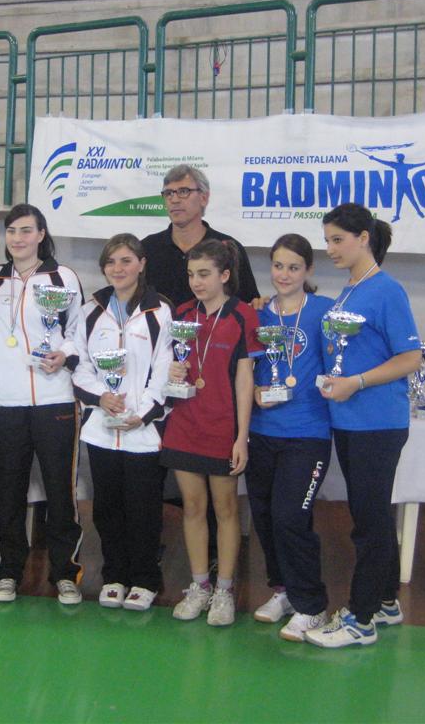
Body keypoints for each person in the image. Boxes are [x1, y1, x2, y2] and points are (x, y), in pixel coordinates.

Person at [304, 203, 421, 649]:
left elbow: (410, 357)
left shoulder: (386, 290)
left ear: (364, 238)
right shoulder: (349, 291)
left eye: (338, 239)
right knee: (371, 514)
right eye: (327, 240)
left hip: (377, 422)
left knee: (368, 522)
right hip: (350, 421)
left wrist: (357, 382)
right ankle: (386, 601)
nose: (331, 249)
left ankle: (361, 618)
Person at [0, 204, 85, 605]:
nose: (18, 238)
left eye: (26, 230)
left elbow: (78, 331)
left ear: (41, 234)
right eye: (12, 230)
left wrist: (65, 354)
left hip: (54, 398)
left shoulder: (64, 277)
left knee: (60, 490)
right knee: (9, 490)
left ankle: (65, 573)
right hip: (6, 402)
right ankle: (9, 570)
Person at [72, 233, 174, 611]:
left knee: (143, 508)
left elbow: (165, 368)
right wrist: (102, 396)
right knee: (107, 508)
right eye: (111, 262)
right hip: (102, 427)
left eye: (126, 260)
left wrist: (141, 413)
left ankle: (145, 579)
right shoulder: (91, 310)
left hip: (143, 430)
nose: (118, 268)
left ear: (142, 264)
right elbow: (79, 364)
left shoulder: (160, 310)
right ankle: (114, 575)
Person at [160, 239, 258, 626]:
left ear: (225, 275)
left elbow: (245, 381)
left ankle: (225, 590)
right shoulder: (183, 314)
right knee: (193, 507)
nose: (196, 282)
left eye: (204, 274)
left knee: (226, 509)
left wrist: (241, 436)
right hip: (184, 423)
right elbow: (168, 362)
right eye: (191, 275)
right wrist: (172, 370)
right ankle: (200, 585)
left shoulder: (243, 317)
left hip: (222, 428)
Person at [247, 234, 335, 641]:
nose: (284, 274)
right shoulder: (258, 313)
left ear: (308, 270)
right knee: (265, 517)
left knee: (290, 517)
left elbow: (341, 362)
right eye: (278, 266)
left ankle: (312, 605)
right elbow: (245, 367)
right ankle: (283, 591)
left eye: (294, 267)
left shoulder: (325, 312)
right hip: (262, 430)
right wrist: (254, 390)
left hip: (307, 432)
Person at [140, 164, 259, 306]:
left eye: (183, 191)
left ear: (204, 197)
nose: (174, 199)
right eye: (168, 193)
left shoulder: (228, 247)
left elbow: (249, 304)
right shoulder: (147, 248)